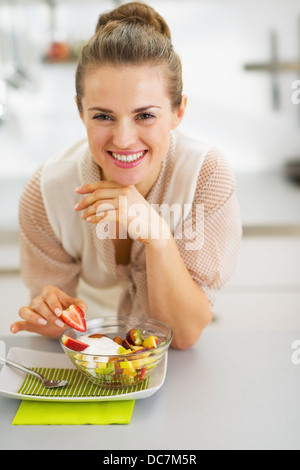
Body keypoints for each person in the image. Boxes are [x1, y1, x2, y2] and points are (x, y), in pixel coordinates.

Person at [10, 1, 242, 350]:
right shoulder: (46, 193)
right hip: (91, 366)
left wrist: (158, 238)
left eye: (145, 116)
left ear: (178, 111)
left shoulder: (206, 177)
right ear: (79, 110)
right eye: (103, 116)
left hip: (178, 373)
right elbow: (58, 326)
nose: (123, 139)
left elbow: (184, 335)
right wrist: (51, 317)